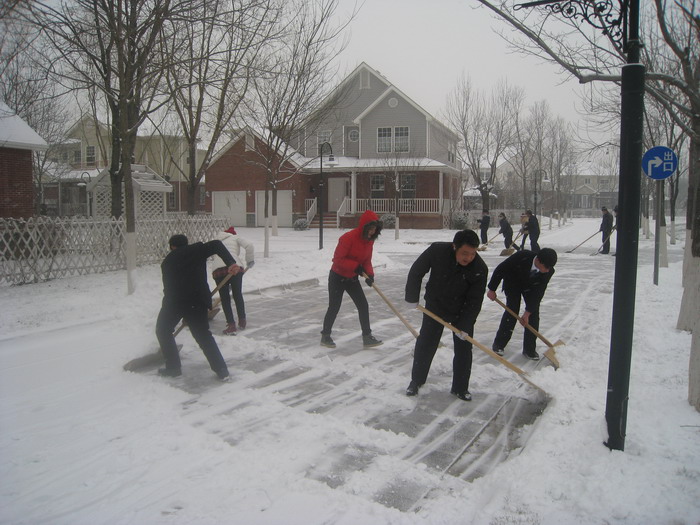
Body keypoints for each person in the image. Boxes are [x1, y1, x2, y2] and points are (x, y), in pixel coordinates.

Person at [404, 229, 488, 401]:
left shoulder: (479, 268)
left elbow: (475, 300)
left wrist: (465, 325)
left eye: (473, 253)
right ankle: (416, 381)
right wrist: (412, 297)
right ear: (454, 246)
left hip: (461, 310)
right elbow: (416, 271)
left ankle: (460, 387)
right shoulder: (437, 251)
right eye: (465, 253)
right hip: (435, 306)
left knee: (464, 349)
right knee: (426, 344)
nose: (468, 258)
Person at [156, 234, 242, 380]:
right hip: (197, 300)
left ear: (172, 247)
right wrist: (231, 262)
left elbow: (168, 288)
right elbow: (216, 244)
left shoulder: (167, 262)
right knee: (203, 335)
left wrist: (177, 312)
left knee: (163, 330)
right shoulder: (197, 250)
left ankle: (173, 367)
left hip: (175, 302)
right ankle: (221, 370)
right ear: (186, 243)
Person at [320, 209, 383, 348]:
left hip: (352, 278)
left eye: (375, 229)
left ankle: (367, 337)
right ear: (365, 227)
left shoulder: (369, 241)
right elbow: (337, 259)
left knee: (363, 305)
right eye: (370, 228)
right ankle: (325, 336)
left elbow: (366, 260)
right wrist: (355, 266)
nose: (372, 232)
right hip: (337, 277)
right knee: (334, 306)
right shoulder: (348, 238)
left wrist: (370, 274)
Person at [487, 248, 557, 361]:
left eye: (549, 267)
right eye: (546, 267)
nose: (548, 270)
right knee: (512, 310)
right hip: (513, 282)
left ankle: (529, 349)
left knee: (533, 314)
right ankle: (499, 344)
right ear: (538, 260)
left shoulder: (549, 270)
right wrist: (492, 289)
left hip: (531, 287)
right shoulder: (522, 256)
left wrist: (528, 312)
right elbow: (501, 269)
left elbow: (539, 292)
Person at [212, 226, 255, 335]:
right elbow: (249, 245)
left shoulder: (216, 240)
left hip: (218, 271)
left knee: (225, 298)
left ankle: (231, 325)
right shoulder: (235, 237)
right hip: (235, 267)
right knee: (237, 294)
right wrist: (250, 260)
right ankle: (242, 320)